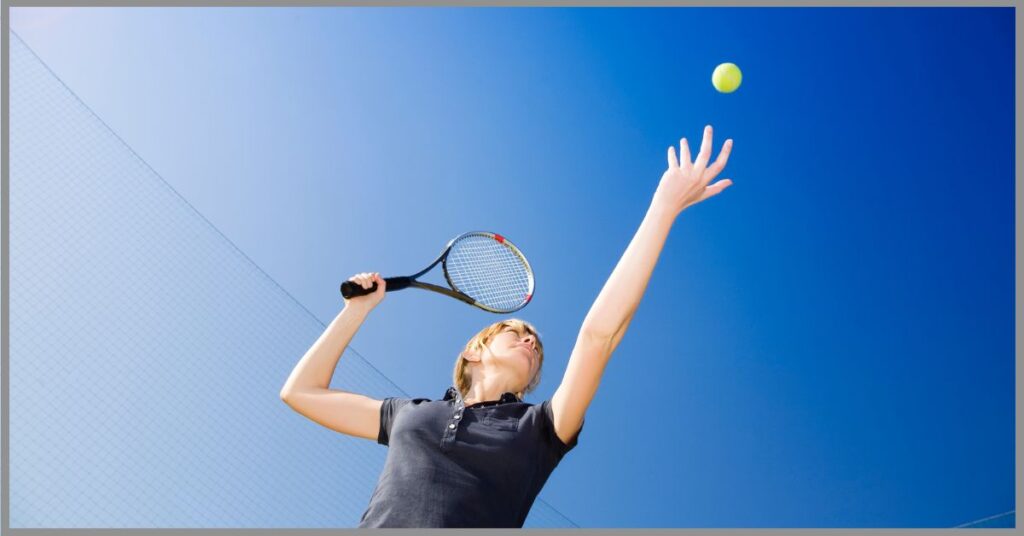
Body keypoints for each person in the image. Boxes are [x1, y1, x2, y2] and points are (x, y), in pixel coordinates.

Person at [280, 125, 734, 528]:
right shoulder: (409, 414)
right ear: (473, 351)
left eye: (535, 341)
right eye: (515, 331)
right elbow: (301, 393)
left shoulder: (540, 430)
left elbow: (600, 335)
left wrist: (664, 207)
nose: (531, 339)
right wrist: (355, 312)